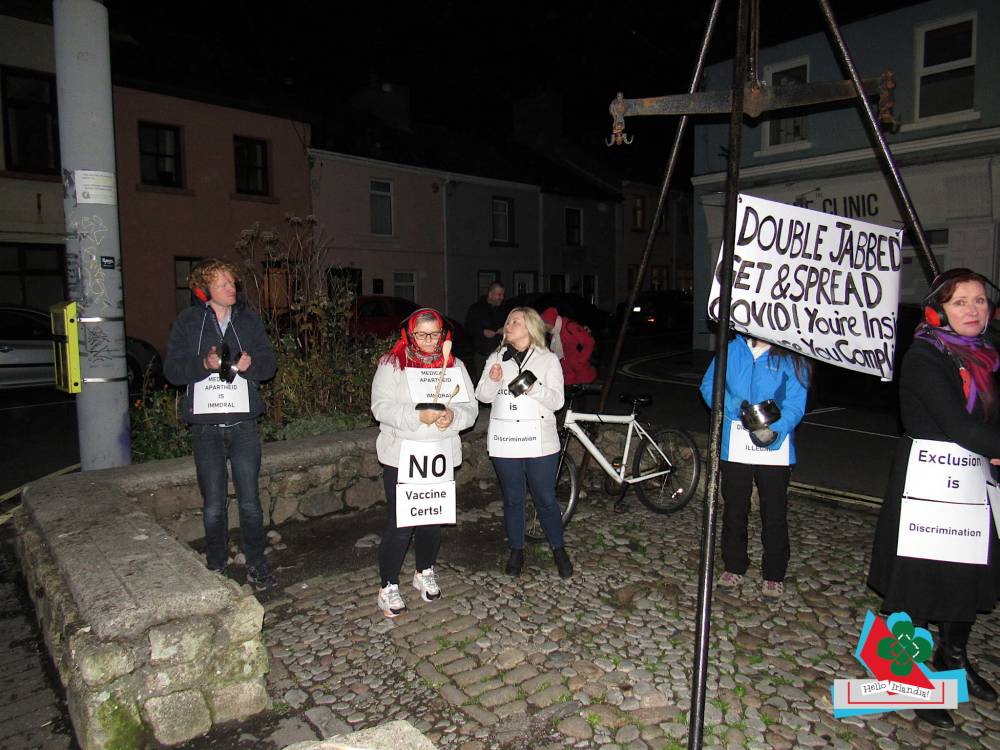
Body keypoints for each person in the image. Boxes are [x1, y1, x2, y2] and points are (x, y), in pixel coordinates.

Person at [868, 268, 1000, 728]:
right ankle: (911, 675)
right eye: (960, 301)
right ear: (938, 310)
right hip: (928, 483)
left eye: (979, 301)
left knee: (968, 571)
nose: (972, 309)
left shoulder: (987, 356)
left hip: (973, 483)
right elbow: (957, 424)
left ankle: (954, 656)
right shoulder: (925, 356)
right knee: (921, 581)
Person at [164, 259, 278, 590]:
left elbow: (269, 365)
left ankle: (256, 565)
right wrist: (202, 363)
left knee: (250, 502)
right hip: (206, 430)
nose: (232, 288)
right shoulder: (188, 322)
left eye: (232, 282)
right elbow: (172, 370)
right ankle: (216, 567)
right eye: (223, 283)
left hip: (243, 426)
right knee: (213, 505)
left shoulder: (248, 321)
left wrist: (250, 364)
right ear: (205, 290)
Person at [370, 308, 478, 617]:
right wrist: (416, 416)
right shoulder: (393, 365)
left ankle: (424, 570)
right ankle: (388, 585)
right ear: (409, 334)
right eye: (422, 334)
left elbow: (470, 406)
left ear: (443, 335)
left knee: (432, 519)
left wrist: (453, 416)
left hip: (439, 453)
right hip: (402, 454)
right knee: (402, 523)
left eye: (434, 334)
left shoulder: (454, 365)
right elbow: (381, 407)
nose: (429, 341)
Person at [699, 332, 809, 598]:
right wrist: (738, 407)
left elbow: (796, 402)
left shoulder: (791, 356)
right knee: (735, 507)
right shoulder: (731, 350)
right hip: (735, 443)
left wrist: (777, 429)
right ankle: (734, 565)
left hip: (776, 447)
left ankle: (774, 572)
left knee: (774, 510)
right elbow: (708, 386)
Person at [476, 306, 573, 578]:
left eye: (515, 321)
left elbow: (557, 401)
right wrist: (493, 381)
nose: (509, 325)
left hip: (540, 442)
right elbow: (482, 396)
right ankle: (516, 550)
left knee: (545, 497)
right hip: (506, 441)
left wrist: (534, 388)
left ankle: (558, 548)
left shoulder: (547, 360)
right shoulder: (497, 357)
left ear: (529, 327)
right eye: (508, 321)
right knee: (513, 498)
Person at [540, 307, 597, 385]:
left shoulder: (569, 326)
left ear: (551, 321)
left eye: (546, 324)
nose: (545, 328)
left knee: (584, 391)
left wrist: (581, 360)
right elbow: (555, 351)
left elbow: (589, 342)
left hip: (580, 370)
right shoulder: (554, 333)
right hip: (567, 372)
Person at [464, 281, 506, 385]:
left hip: (499, 354)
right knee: (482, 383)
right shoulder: (476, 309)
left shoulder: (503, 309)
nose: (501, 297)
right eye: (499, 294)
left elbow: (509, 324)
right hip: (482, 354)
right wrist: (482, 332)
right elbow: (468, 327)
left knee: (499, 383)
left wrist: (504, 329)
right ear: (490, 294)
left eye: (503, 295)